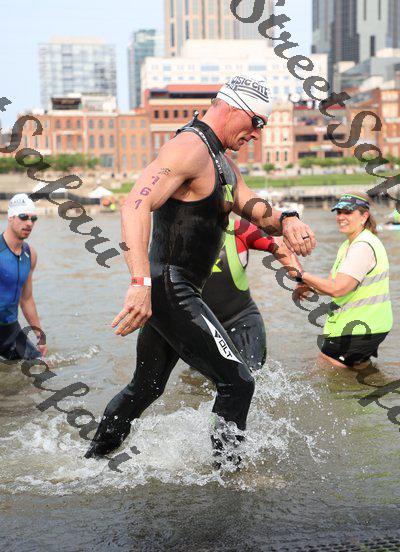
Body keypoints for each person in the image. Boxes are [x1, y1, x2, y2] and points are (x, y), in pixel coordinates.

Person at [85, 74, 316, 466]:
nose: (257, 134)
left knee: (146, 388)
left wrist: (289, 219)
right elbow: (134, 205)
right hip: (169, 286)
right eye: (256, 122)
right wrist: (140, 282)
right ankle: (228, 478)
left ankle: (90, 463)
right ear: (235, 109)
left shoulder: (223, 163)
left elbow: (257, 211)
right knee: (238, 382)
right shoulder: (188, 148)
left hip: (177, 290)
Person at [296, 193, 392, 370]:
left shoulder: (362, 246)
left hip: (358, 328)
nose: (341, 217)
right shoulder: (349, 244)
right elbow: (332, 283)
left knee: (325, 368)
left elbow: (338, 289)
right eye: (338, 212)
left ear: (364, 216)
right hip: (365, 326)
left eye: (348, 212)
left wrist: (301, 274)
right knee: (358, 372)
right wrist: (309, 286)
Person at [202, 217, 303, 371]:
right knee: (199, 381)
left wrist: (301, 279)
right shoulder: (175, 231)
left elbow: (278, 245)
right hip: (199, 327)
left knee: (250, 375)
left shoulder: (238, 229)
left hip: (240, 319)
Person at [0, 194, 47, 361]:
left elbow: (26, 299)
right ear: (11, 217)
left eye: (33, 219)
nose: (29, 223)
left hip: (10, 329)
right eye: (23, 217)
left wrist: (39, 334)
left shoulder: (30, 254)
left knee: (39, 364)